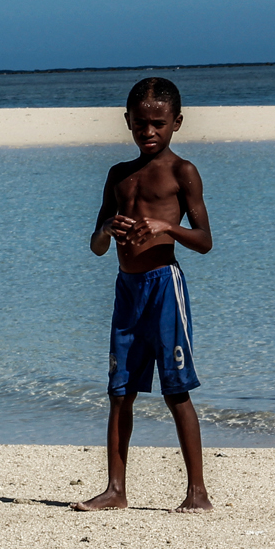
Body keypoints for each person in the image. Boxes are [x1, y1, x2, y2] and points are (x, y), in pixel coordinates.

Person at [73, 77, 214, 513]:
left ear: (176, 123)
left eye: (158, 123)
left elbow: (205, 240)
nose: (148, 132)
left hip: (163, 286)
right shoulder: (118, 175)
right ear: (127, 122)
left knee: (176, 391)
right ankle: (116, 490)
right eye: (140, 124)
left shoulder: (182, 172)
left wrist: (165, 228)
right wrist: (105, 231)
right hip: (127, 289)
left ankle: (197, 493)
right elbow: (96, 245)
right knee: (119, 392)